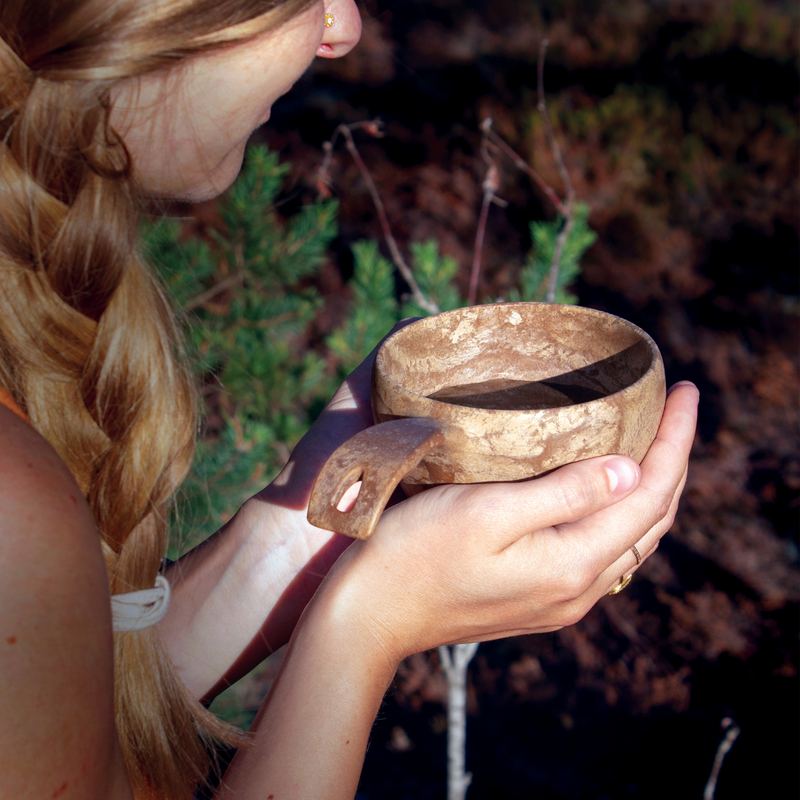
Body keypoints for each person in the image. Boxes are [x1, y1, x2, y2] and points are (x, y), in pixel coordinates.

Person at [0, 1, 699, 798]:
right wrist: (369, 625)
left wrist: (296, 537)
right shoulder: (11, 500)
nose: (344, 29)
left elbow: (61, 716)